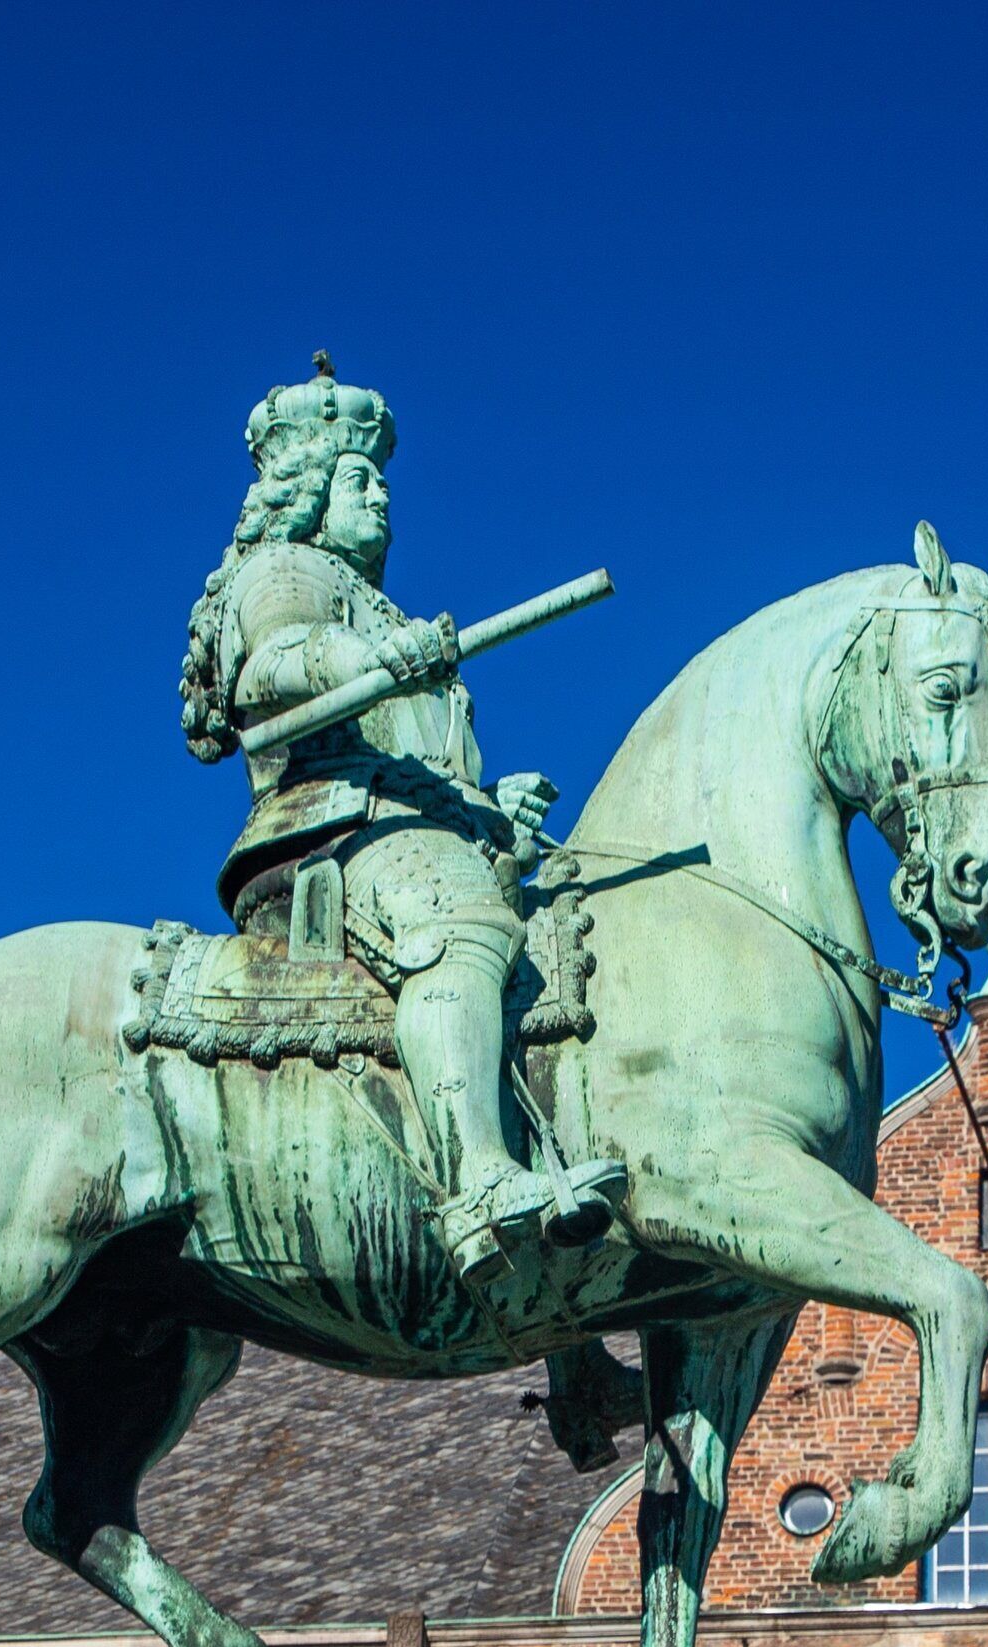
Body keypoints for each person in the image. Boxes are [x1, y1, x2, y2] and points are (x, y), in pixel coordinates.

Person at [177, 360, 624, 1283]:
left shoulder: (396, 615)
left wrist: (493, 808)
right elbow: (269, 668)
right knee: (465, 936)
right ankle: (479, 1186)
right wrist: (363, 652)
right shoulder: (286, 569)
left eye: (382, 481)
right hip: (330, 828)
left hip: (418, 832)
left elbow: (428, 769)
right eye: (358, 479)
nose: (380, 494)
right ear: (307, 495)